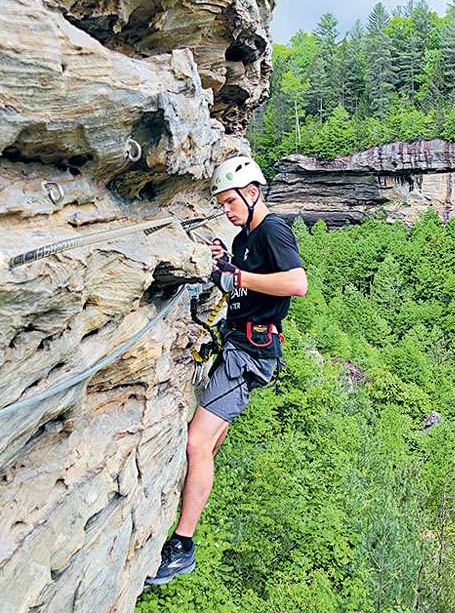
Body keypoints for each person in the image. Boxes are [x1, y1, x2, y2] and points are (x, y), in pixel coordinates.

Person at [145, 155, 307, 586]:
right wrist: (222, 269)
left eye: (230, 202)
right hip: (239, 342)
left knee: (197, 445)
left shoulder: (272, 229)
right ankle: (185, 537)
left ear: (252, 193)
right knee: (208, 445)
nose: (226, 211)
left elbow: (296, 284)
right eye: (221, 204)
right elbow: (237, 287)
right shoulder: (243, 238)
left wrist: (239, 275)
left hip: (249, 353)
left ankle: (182, 547)